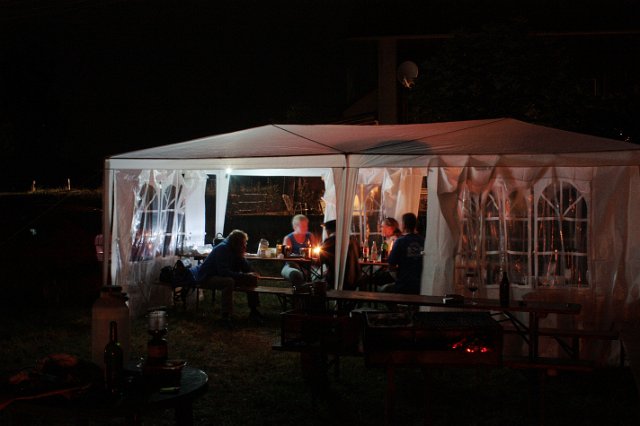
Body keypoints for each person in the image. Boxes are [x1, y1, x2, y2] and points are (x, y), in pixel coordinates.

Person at [190, 229, 264, 329]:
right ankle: (226, 316)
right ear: (236, 243)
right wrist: (244, 275)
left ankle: (254, 311)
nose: (245, 246)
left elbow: (246, 268)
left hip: (220, 275)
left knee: (251, 279)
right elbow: (223, 272)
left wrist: (247, 267)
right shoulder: (222, 249)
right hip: (207, 277)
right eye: (243, 243)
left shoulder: (236, 250)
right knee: (228, 282)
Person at [381, 212, 425, 295]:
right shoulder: (422, 241)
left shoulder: (400, 241)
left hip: (403, 284)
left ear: (403, 225)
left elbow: (391, 263)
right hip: (420, 284)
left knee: (384, 289)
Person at [318, 219, 361, 290]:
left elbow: (320, 260)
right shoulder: (353, 240)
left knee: (318, 281)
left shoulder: (329, 241)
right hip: (354, 279)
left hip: (336, 280)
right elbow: (360, 255)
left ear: (328, 231)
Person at [281, 214, 318, 286]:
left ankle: (313, 290)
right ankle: (301, 291)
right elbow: (286, 257)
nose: (306, 228)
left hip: (309, 266)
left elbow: (315, 252)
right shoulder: (288, 238)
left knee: (322, 273)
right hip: (292, 266)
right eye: (303, 226)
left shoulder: (310, 236)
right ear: (295, 227)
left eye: (306, 226)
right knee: (295, 274)